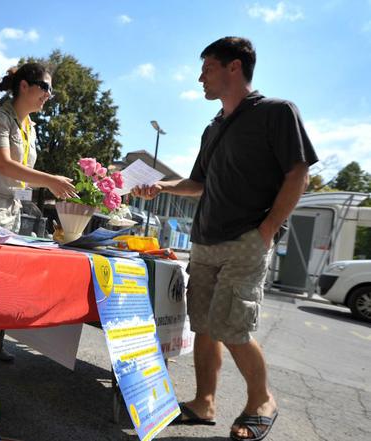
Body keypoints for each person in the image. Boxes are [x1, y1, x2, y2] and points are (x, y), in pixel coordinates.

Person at [132, 37, 318, 441]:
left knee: (233, 327)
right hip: (205, 240)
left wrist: (267, 230)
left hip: (246, 240)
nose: (201, 78)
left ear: (235, 67)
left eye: (208, 68)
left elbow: (298, 173)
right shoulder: (213, 126)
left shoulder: (276, 112)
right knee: (204, 325)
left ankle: (261, 400)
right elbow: (197, 183)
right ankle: (204, 403)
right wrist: (162, 186)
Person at [0, 63, 77, 363]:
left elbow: (20, 173)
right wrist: (50, 180)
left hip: (9, 213)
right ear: (24, 86)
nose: (49, 96)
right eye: (45, 87)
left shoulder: (29, 126)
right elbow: (4, 165)